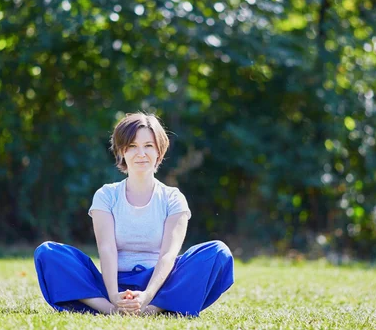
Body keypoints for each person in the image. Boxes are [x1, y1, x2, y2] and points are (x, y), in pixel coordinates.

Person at [34, 112, 234, 316]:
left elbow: (168, 255)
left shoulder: (173, 198)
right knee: (48, 253)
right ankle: (111, 310)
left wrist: (147, 295)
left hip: (160, 285)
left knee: (218, 252)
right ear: (122, 151)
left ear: (159, 151)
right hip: (112, 283)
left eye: (148, 146)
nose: (141, 153)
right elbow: (107, 248)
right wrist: (113, 297)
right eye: (132, 146)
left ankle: (153, 309)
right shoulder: (106, 195)